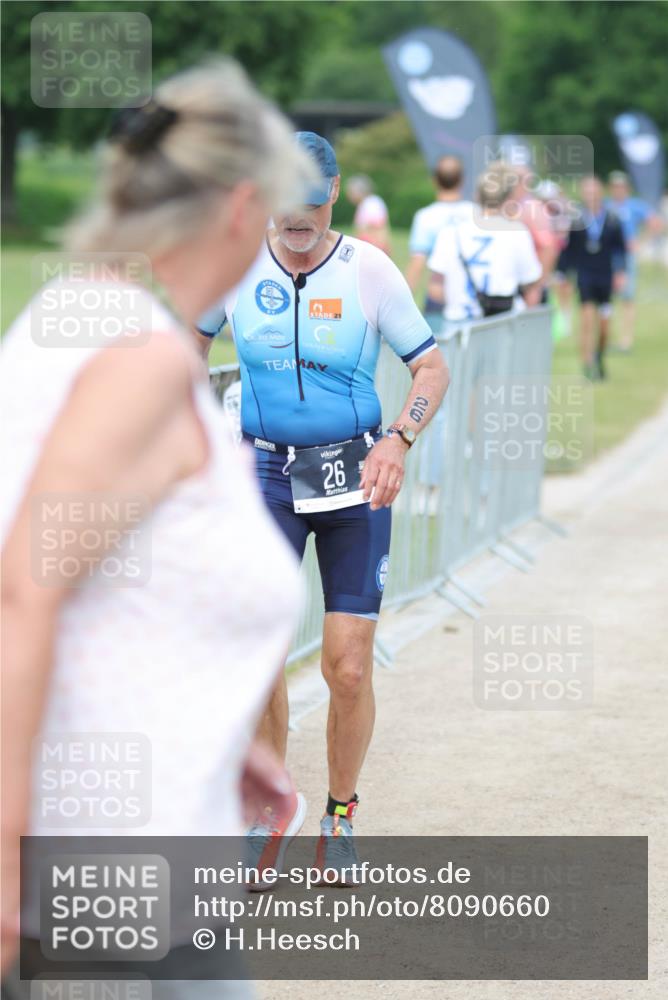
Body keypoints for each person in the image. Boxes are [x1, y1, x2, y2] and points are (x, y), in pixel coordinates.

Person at [0, 60, 315, 993]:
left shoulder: (79, 315)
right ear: (242, 204)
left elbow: (124, 572)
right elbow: (25, 589)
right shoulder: (138, 358)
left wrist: (229, 734)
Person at [194, 131, 449, 882]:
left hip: (353, 481)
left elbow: (429, 362)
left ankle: (340, 814)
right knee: (259, 656)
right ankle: (269, 814)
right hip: (265, 482)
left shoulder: (369, 271)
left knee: (348, 667)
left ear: (333, 193)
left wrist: (399, 440)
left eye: (309, 203)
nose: (295, 221)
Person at [426, 161, 543, 326]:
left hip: (458, 328)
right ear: (510, 197)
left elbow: (435, 288)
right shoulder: (518, 232)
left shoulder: (451, 231)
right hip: (502, 327)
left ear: (477, 195)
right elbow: (531, 284)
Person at [558, 175, 627, 380]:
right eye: (586, 191)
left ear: (601, 192)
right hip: (585, 274)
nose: (590, 195)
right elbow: (569, 250)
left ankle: (600, 356)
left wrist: (621, 273)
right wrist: (563, 274)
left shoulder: (612, 219)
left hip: (605, 276)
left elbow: (620, 249)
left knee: (604, 324)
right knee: (586, 320)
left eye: (594, 191)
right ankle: (586, 363)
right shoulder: (577, 219)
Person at [405, 155, 474, 313]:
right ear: (462, 180)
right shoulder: (475, 213)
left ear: (434, 180)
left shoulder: (426, 216)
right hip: (471, 297)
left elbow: (417, 264)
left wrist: (401, 304)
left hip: (439, 296)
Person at [606, 170, 660, 351]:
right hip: (608, 256)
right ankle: (607, 337)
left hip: (626, 256)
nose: (618, 190)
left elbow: (655, 223)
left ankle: (625, 339)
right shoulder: (607, 206)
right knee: (607, 297)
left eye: (620, 186)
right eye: (615, 186)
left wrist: (641, 242)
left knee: (627, 297)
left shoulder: (634, 206)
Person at [508, 163, 561, 302]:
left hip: (530, 287)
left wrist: (536, 287)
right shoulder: (515, 206)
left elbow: (549, 248)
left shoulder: (532, 209)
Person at [346, 173, 392, 255]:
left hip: (374, 249)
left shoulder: (371, 203)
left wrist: (381, 249)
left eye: (350, 192)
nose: (348, 195)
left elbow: (378, 228)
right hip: (369, 249)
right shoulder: (365, 203)